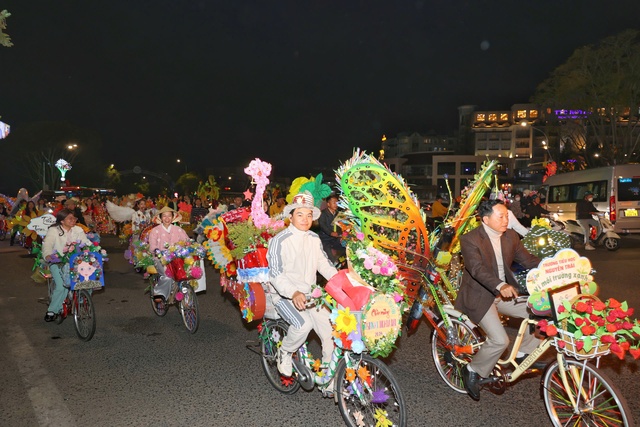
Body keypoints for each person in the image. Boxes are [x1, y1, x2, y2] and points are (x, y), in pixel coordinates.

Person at [455, 200, 544, 401]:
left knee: (538, 313)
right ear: (486, 220)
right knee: (500, 340)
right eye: (501, 217)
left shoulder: (511, 236)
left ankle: (523, 354)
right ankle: (472, 369)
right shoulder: (470, 239)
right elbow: (477, 269)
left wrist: (555, 264)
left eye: (507, 216)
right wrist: (500, 285)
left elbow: (528, 260)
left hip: (505, 293)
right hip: (480, 295)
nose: (506, 220)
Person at [266, 191, 338, 382]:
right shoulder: (278, 241)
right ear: (290, 216)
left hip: (312, 294)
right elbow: (275, 274)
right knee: (303, 324)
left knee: (331, 329)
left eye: (308, 215)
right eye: (300, 214)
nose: (305, 219)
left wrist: (341, 281)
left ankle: (328, 375)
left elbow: (324, 264)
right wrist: (293, 292)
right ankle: (285, 352)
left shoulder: (314, 239)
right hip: (284, 296)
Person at [42, 209, 93, 322]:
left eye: (74, 218)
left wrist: (95, 250)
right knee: (62, 286)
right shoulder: (53, 230)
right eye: (70, 218)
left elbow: (86, 243)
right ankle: (52, 310)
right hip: (58, 262)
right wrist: (48, 255)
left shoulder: (78, 229)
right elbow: (47, 245)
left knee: (88, 280)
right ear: (61, 221)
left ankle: (81, 298)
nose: (73, 220)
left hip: (76, 262)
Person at [147, 206, 191, 301]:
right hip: (160, 258)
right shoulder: (155, 231)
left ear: (173, 217)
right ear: (160, 218)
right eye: (164, 216)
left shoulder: (178, 229)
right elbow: (152, 246)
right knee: (167, 275)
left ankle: (186, 296)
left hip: (177, 258)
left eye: (169, 216)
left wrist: (192, 246)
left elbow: (187, 241)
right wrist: (157, 250)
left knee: (189, 272)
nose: (167, 219)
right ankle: (159, 293)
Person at [317, 194, 345, 264]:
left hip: (335, 238)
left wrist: (341, 234)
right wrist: (331, 233)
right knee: (330, 257)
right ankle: (333, 267)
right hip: (325, 239)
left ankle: (342, 263)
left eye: (337, 202)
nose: (336, 204)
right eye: (333, 202)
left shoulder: (338, 213)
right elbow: (323, 225)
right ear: (328, 204)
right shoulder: (323, 213)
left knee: (346, 248)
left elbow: (341, 225)